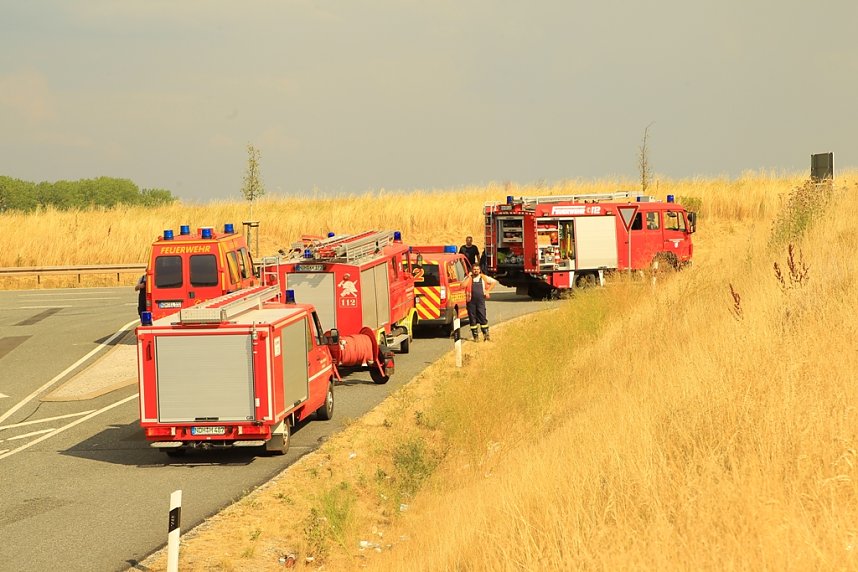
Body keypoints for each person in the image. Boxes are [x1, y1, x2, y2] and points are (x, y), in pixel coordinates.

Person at [463, 264, 497, 341]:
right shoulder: (468, 278)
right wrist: (468, 277)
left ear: (480, 270)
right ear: (472, 270)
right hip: (470, 301)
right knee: (472, 319)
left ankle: (486, 336)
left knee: (482, 317)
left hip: (480, 301)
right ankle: (475, 337)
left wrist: (488, 291)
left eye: (477, 269)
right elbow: (462, 285)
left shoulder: (483, 277)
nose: (476, 271)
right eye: (474, 269)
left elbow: (494, 282)